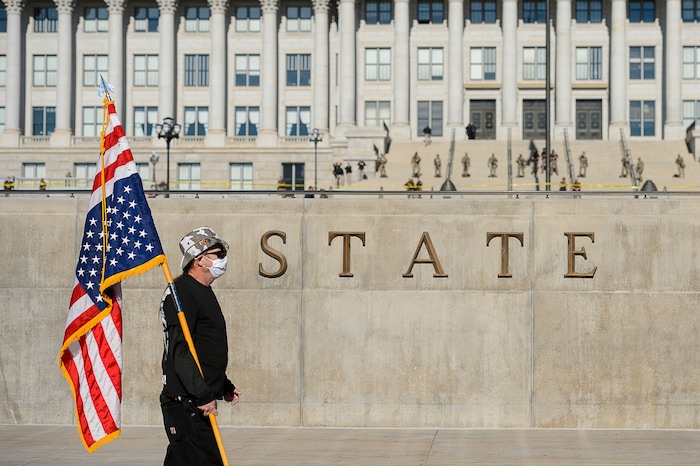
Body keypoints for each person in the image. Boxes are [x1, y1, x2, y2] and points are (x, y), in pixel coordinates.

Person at [160, 226, 241, 466]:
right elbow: (180, 351)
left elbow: (204, 348)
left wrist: (222, 384)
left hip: (198, 399)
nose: (223, 259)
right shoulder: (182, 292)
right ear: (199, 260)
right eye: (218, 253)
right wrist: (202, 394)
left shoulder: (203, 291)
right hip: (186, 401)